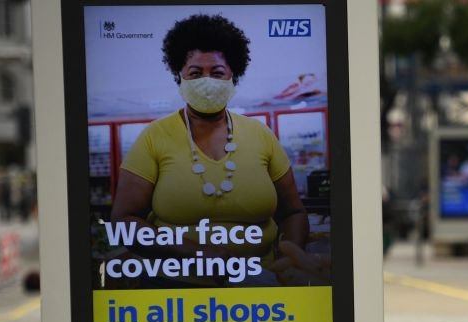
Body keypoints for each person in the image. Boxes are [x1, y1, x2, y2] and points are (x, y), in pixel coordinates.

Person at [110, 13, 322, 287]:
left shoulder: (261, 136)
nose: (207, 82)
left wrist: (290, 255)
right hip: (174, 290)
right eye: (196, 73)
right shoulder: (154, 137)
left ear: (233, 75)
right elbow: (124, 221)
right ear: (180, 77)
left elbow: (293, 212)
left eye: (217, 73)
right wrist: (195, 254)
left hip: (264, 287)